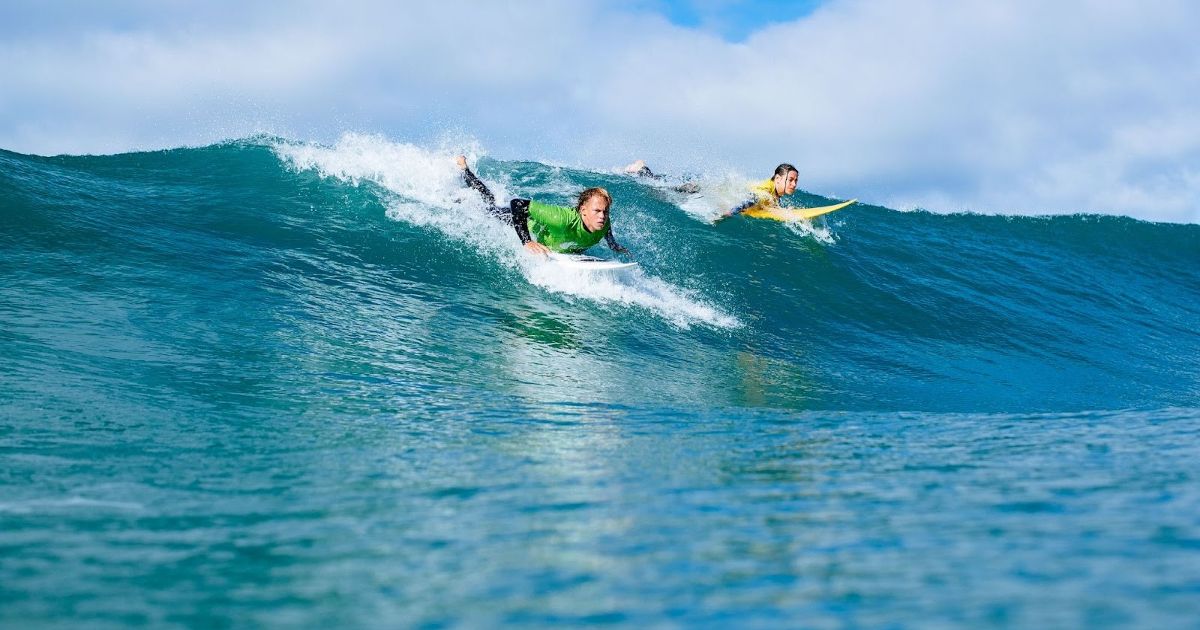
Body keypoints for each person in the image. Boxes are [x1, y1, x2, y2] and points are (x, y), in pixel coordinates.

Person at [456, 156, 629, 257]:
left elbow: (606, 229)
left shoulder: (602, 222)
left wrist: (614, 245)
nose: (602, 216)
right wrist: (527, 241)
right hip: (515, 218)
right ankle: (465, 172)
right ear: (583, 210)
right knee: (488, 206)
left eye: (605, 212)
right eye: (597, 211)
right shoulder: (561, 219)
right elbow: (517, 204)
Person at [623, 159, 799, 218]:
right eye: (790, 180)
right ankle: (641, 169)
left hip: (704, 189)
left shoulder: (773, 192)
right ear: (777, 178)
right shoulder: (765, 190)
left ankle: (643, 170)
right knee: (660, 191)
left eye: (795, 181)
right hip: (700, 189)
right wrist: (731, 212)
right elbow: (751, 199)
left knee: (666, 188)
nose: (793, 184)